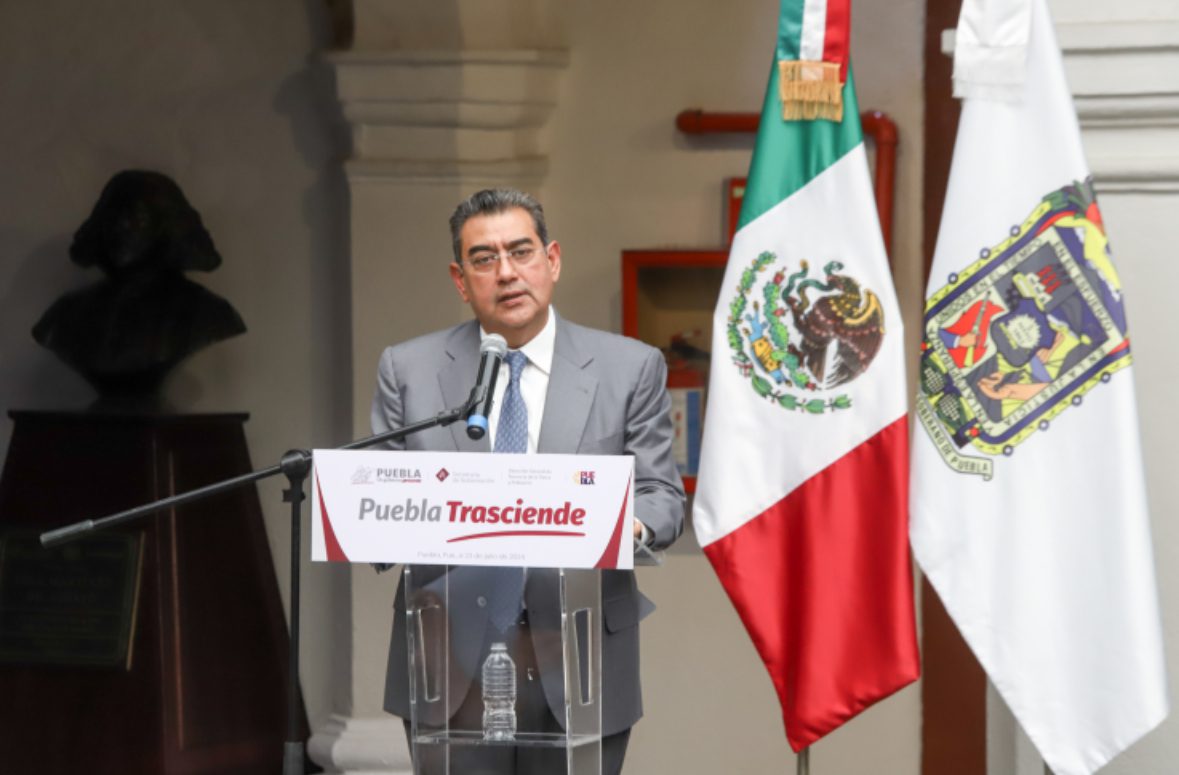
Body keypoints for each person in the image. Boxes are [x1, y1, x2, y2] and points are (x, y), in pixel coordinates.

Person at [370, 188, 685, 774]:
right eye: (484, 258)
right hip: (448, 659)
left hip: (580, 653)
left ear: (552, 260)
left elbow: (662, 498)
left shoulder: (629, 367)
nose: (507, 272)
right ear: (461, 280)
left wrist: (626, 525)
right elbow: (382, 498)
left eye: (521, 251)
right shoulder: (409, 370)